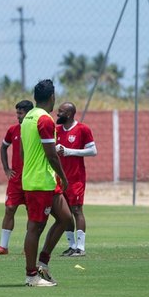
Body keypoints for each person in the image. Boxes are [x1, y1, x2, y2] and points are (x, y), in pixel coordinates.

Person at [21, 79, 68, 287]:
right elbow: (51, 155)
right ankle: (31, 276)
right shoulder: (44, 120)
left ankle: (43, 264)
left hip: (46, 179)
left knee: (67, 219)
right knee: (35, 228)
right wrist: (64, 177)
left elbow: (24, 152)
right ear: (52, 97)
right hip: (40, 182)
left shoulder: (28, 116)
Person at [0, 100, 34, 255]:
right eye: (17, 113)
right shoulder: (13, 130)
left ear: (28, 113)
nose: (17, 116)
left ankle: (28, 247)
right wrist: (6, 169)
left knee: (31, 212)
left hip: (31, 178)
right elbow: (3, 147)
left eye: (20, 113)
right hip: (15, 179)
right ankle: (3, 246)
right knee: (9, 209)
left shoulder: (35, 129)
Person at [55, 102, 97, 257]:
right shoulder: (56, 130)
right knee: (64, 213)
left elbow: (93, 151)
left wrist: (68, 151)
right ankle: (71, 246)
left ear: (70, 114)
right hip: (60, 178)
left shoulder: (82, 129)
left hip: (76, 178)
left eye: (61, 112)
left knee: (77, 210)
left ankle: (81, 247)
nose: (57, 114)